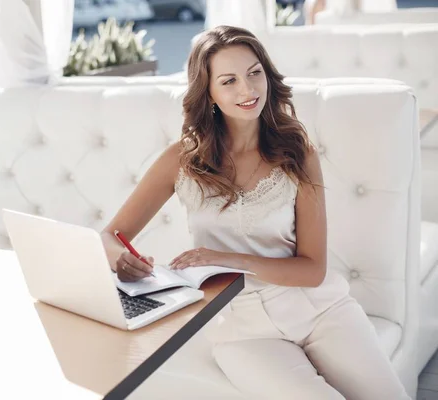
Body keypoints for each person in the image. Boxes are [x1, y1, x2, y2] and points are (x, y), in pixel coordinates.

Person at [100, 25, 410, 399]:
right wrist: (121, 260)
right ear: (209, 92)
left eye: (254, 73)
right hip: (242, 330)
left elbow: (312, 270)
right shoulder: (181, 160)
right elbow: (110, 236)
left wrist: (223, 259)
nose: (248, 90)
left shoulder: (298, 151)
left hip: (322, 310)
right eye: (229, 81)